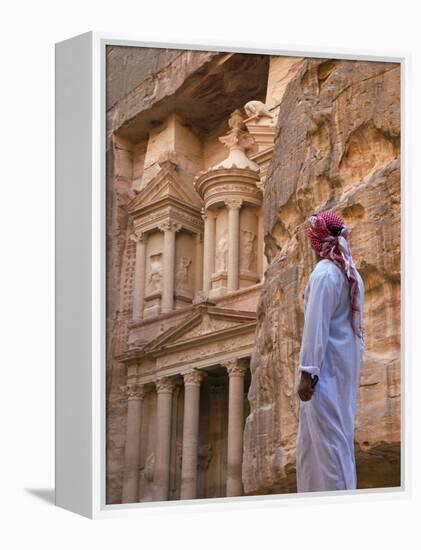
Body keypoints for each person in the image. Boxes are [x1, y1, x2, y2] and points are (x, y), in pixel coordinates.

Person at [295, 210, 365, 492]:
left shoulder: (325, 274)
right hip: (341, 371)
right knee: (318, 445)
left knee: (328, 448)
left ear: (316, 241)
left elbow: (316, 327)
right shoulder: (348, 273)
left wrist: (307, 373)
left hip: (323, 376)